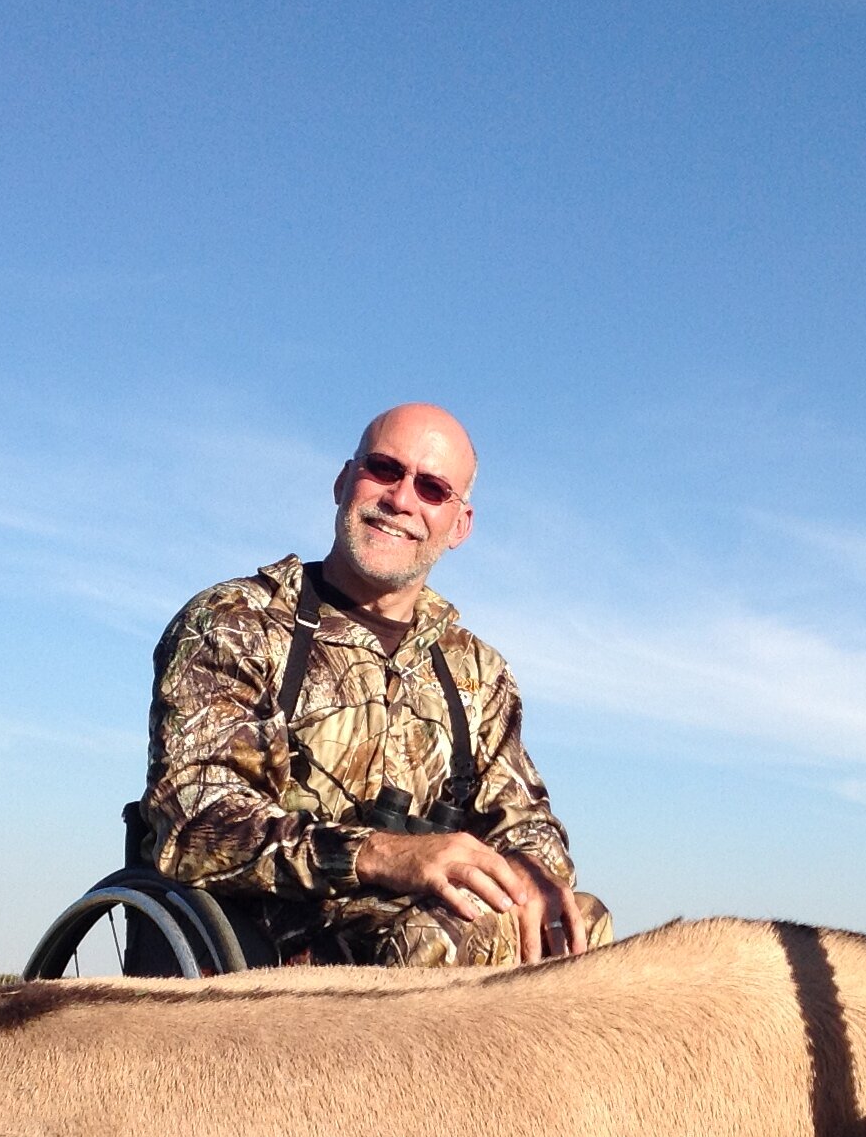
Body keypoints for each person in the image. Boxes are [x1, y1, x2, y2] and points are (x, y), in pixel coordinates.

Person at [142, 402, 609, 968]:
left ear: (459, 524)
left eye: (432, 488)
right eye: (384, 469)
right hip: (267, 956)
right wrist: (385, 854)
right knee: (465, 936)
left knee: (576, 919)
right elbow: (194, 821)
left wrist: (532, 880)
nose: (401, 499)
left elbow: (528, 825)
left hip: (423, 938)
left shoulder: (477, 672)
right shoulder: (237, 620)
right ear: (344, 481)